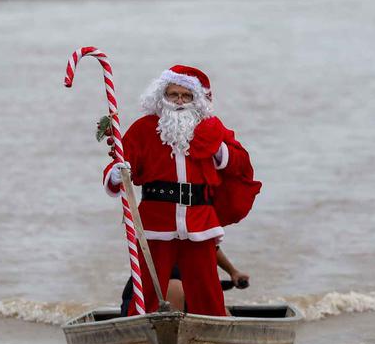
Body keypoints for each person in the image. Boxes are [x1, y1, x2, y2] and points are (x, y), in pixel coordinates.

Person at [103, 65, 261, 317]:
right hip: (156, 221)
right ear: (161, 96)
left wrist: (218, 150)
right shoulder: (143, 129)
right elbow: (121, 162)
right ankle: (140, 333)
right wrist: (116, 173)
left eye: (186, 96)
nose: (179, 101)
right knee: (146, 289)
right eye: (173, 94)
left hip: (199, 221)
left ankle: (215, 334)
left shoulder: (211, 128)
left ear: (196, 99)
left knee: (207, 292)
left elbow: (241, 164)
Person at [119, 247, 250, 314]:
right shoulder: (160, 240)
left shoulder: (197, 241)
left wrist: (233, 272)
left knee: (222, 311)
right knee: (175, 289)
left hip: (187, 299)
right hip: (141, 307)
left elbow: (209, 245)